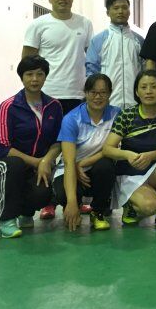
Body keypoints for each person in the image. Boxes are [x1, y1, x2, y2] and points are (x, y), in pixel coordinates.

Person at [0, 56, 63, 239]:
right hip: (1, 165)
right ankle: (6, 219)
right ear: (21, 77)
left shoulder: (54, 106)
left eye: (39, 74)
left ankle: (26, 212)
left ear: (45, 77)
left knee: (43, 194)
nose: (34, 79)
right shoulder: (9, 106)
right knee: (15, 165)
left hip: (35, 166)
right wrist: (37, 162)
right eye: (29, 74)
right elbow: (3, 146)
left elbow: (58, 141)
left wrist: (46, 161)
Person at [102, 70, 156, 230]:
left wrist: (151, 156)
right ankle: (130, 204)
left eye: (154, 87)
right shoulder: (126, 115)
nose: (149, 91)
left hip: (154, 171)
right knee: (150, 206)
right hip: (130, 173)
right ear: (137, 92)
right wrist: (128, 155)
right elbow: (107, 149)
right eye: (143, 87)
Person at [53, 74, 120, 232]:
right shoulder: (71, 119)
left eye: (103, 92)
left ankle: (97, 212)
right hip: (70, 169)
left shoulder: (117, 115)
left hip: (95, 167)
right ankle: (73, 206)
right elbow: (69, 162)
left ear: (110, 93)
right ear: (85, 93)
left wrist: (83, 163)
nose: (98, 97)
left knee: (106, 166)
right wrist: (71, 203)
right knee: (64, 195)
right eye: (93, 92)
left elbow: (113, 149)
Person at [22, 0, 93, 115]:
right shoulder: (38, 24)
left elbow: (91, 58)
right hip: (46, 92)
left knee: (74, 129)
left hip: (77, 93)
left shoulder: (85, 23)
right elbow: (26, 62)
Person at [85, 0, 144, 109]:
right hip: (107, 104)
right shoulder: (98, 40)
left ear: (129, 11)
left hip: (135, 104)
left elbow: (144, 70)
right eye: (116, 8)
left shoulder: (139, 40)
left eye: (124, 7)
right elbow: (91, 71)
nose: (120, 11)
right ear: (108, 12)